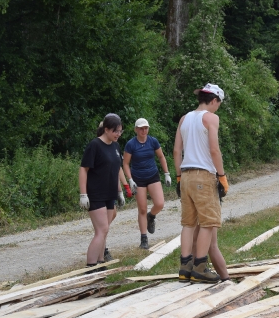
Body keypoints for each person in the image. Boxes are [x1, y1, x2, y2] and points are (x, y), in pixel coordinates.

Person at [173, 83, 230, 284]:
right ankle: (200, 267)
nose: (217, 108)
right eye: (218, 104)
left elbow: (176, 151)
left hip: (186, 175)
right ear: (214, 100)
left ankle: (185, 267)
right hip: (203, 175)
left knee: (188, 223)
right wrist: (221, 176)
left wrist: (178, 177)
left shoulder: (184, 119)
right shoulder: (211, 118)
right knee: (208, 222)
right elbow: (214, 150)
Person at [78, 113, 129, 268]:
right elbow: (83, 169)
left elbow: (116, 169)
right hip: (96, 193)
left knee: (105, 230)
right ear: (106, 129)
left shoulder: (115, 146)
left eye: (120, 131)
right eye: (115, 131)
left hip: (110, 194)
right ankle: (90, 267)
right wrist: (83, 194)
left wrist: (120, 191)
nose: (118, 134)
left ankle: (100, 263)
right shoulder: (95, 145)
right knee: (102, 229)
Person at [123, 118, 172, 249]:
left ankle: (151, 216)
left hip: (152, 175)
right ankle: (144, 238)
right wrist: (130, 179)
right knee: (142, 209)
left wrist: (166, 173)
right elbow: (126, 163)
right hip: (138, 178)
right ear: (136, 130)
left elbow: (161, 156)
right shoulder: (131, 144)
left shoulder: (153, 141)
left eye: (145, 128)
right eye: (141, 128)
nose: (143, 130)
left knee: (160, 203)